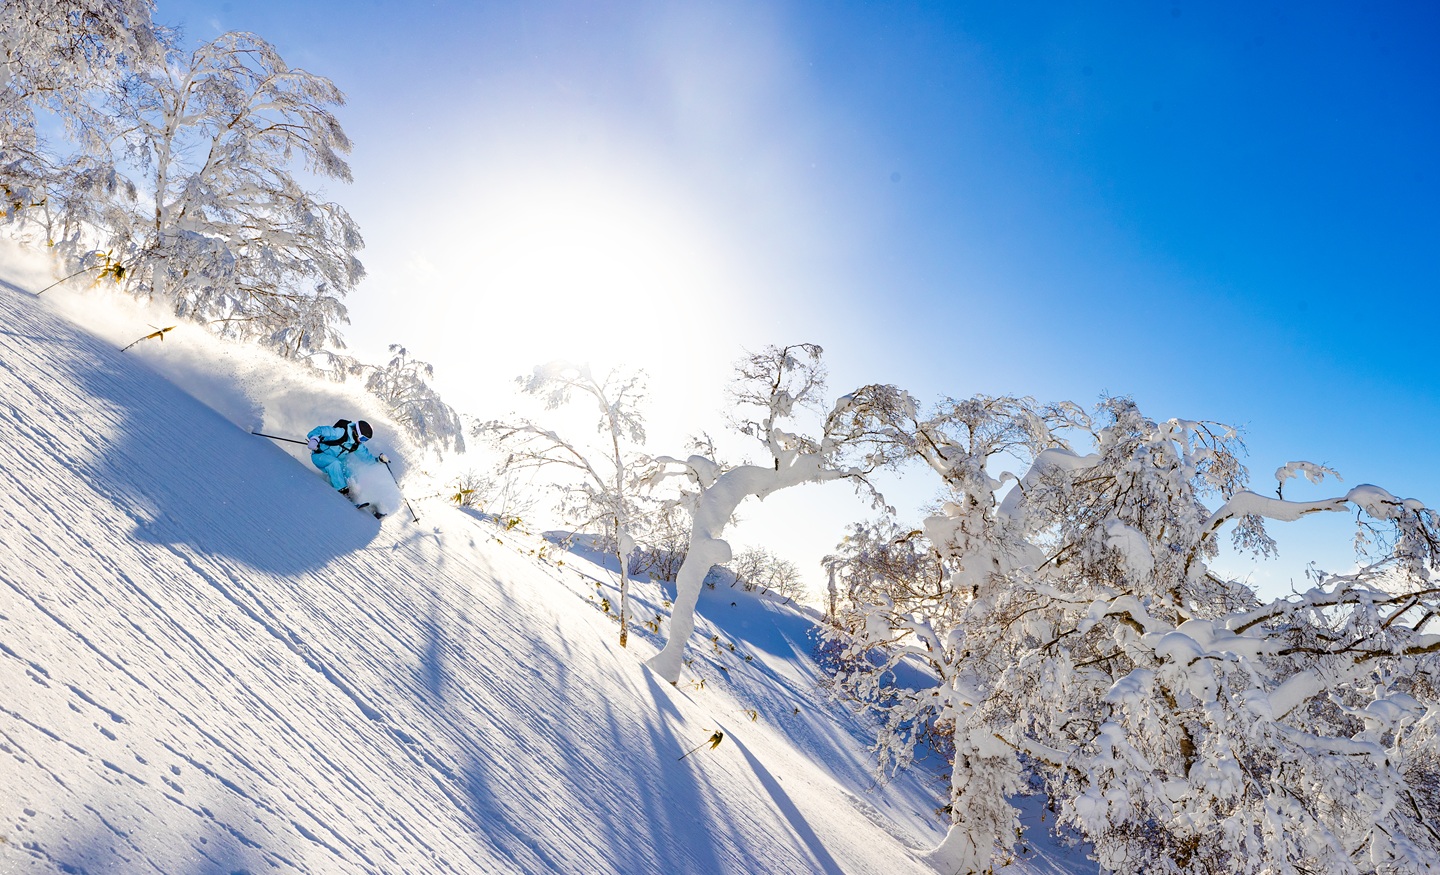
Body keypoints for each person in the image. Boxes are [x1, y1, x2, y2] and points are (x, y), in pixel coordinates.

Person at [306, 419, 389, 496]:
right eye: (362, 438)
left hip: (337, 462)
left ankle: (358, 495)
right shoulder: (340, 432)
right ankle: (341, 491)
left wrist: (379, 460)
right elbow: (320, 430)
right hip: (319, 455)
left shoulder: (356, 445)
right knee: (335, 463)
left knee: (352, 474)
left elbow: (366, 458)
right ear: (355, 432)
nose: (362, 441)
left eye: (365, 440)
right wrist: (314, 439)